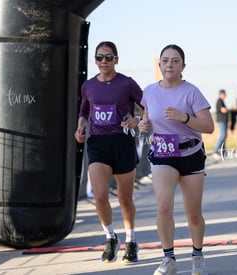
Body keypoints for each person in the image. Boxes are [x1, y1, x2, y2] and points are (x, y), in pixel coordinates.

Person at [139, 44, 214, 275]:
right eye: (165, 60)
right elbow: (145, 120)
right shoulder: (149, 91)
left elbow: (209, 127)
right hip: (163, 153)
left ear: (183, 66)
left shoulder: (191, 92)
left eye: (174, 60)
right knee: (163, 206)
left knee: (193, 213)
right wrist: (143, 125)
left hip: (191, 154)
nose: (169, 64)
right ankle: (168, 259)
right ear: (159, 65)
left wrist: (184, 118)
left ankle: (197, 256)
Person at [74, 41, 143, 263]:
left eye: (109, 57)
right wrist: (81, 126)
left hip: (122, 143)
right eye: (100, 57)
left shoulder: (127, 84)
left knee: (125, 198)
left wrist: (138, 119)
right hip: (98, 144)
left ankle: (131, 241)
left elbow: (147, 105)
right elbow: (84, 109)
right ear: (95, 60)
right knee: (100, 195)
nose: (104, 61)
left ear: (116, 59)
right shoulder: (88, 86)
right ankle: (110, 236)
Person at [213, 89, 228, 159]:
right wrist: (230, 109)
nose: (225, 95)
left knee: (224, 137)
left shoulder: (222, 101)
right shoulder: (219, 101)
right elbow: (223, 110)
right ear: (221, 94)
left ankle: (223, 152)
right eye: (224, 94)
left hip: (224, 121)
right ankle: (215, 151)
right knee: (222, 136)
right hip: (221, 121)